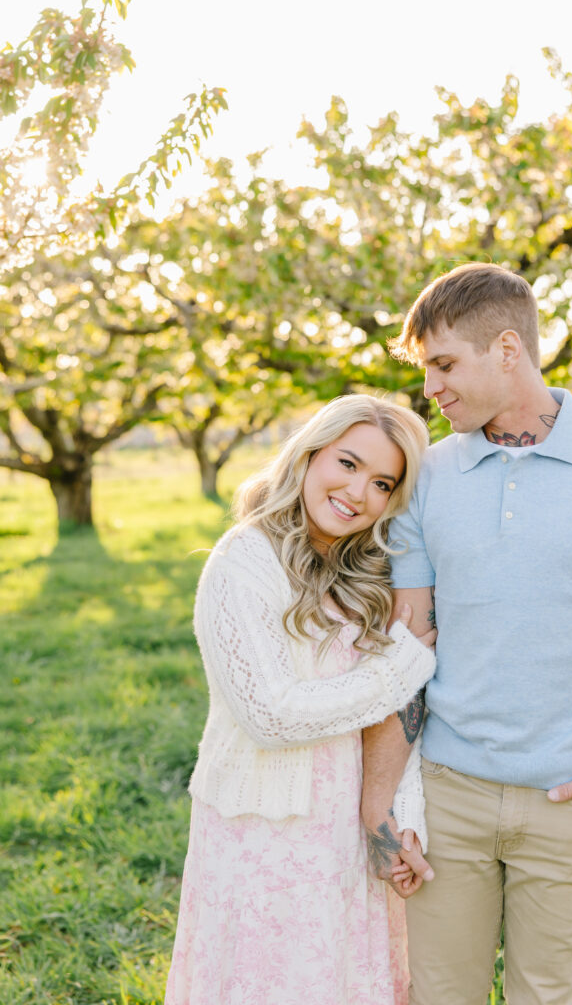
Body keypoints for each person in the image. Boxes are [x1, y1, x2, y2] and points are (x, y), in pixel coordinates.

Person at [360, 262, 572, 1005]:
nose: (430, 388)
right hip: (446, 794)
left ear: (507, 350)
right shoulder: (424, 479)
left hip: (571, 799)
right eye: (423, 370)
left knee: (548, 995)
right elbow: (409, 649)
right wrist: (380, 800)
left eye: (444, 364)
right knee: (442, 995)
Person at [165, 394, 437, 1005]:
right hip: (262, 830)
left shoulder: (365, 570)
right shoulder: (243, 561)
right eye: (346, 463)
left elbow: (397, 715)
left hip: (347, 828)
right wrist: (399, 668)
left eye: (382, 482)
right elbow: (270, 714)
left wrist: (405, 818)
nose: (357, 492)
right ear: (310, 454)